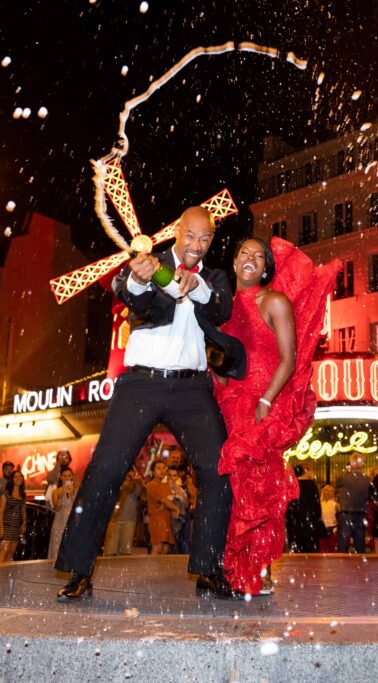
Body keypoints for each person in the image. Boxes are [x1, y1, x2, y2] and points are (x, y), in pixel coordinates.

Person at [54, 206, 246, 602]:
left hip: (193, 389)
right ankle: (78, 570)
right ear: (176, 232)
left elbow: (221, 308)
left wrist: (197, 286)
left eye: (204, 239)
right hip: (142, 383)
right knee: (106, 469)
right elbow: (132, 296)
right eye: (190, 236)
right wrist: (141, 282)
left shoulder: (214, 276)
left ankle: (208, 568)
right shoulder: (150, 263)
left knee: (218, 470)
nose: (196, 245)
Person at [214, 236, 339, 595]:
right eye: (244, 253)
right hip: (230, 403)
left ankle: (259, 569)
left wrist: (267, 401)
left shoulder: (274, 302)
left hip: (262, 404)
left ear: (266, 267)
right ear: (235, 262)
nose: (250, 259)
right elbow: (222, 367)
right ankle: (234, 566)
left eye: (258, 255)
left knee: (260, 488)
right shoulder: (222, 309)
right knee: (234, 488)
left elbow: (289, 358)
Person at [285, 464, 325, 554]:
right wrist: (316, 516)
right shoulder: (311, 486)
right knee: (311, 554)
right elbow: (316, 506)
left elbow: (288, 506)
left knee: (296, 553)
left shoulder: (291, 485)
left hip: (295, 524)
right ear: (305, 471)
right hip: (309, 524)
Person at [103, 469, 143, 556]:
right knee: (110, 549)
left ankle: (123, 568)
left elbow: (141, 493)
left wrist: (136, 480)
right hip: (114, 519)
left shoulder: (135, 484)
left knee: (125, 550)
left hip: (130, 519)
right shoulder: (114, 483)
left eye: (130, 471)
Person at [336, 457, 371, 553]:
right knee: (360, 544)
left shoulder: (344, 477)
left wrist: (347, 472)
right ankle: (361, 565)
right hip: (361, 513)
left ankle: (342, 565)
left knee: (343, 544)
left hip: (346, 513)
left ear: (352, 463)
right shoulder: (367, 479)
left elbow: (337, 483)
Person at [144, 461, 179, 555]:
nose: (162, 470)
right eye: (158, 468)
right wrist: (176, 508)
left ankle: (159, 570)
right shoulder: (152, 484)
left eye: (164, 468)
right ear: (153, 471)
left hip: (166, 518)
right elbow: (164, 500)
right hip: (157, 518)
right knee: (158, 546)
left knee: (165, 548)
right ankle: (150, 569)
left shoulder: (166, 485)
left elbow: (171, 498)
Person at [0, 470, 27, 562]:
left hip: (16, 527)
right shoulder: (6, 493)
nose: (18, 479)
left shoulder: (23, 495)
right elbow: (1, 511)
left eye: (20, 476)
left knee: (11, 552)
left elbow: (23, 511)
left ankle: (5, 574)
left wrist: (24, 523)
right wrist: (1, 528)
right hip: (6, 525)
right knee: (4, 550)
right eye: (15, 477)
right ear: (12, 479)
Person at [48, 468, 77, 562]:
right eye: (64, 476)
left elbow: (79, 507)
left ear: (72, 477)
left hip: (73, 520)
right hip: (60, 521)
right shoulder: (56, 491)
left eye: (69, 475)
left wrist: (72, 494)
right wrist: (62, 494)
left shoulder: (77, 490)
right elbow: (57, 508)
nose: (67, 478)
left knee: (73, 543)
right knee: (58, 544)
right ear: (61, 477)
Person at [318, 484, 339, 553]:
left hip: (333, 530)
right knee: (321, 550)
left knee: (332, 550)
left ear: (333, 493)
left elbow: (341, 516)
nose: (328, 492)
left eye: (331, 491)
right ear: (323, 492)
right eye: (326, 490)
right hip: (321, 529)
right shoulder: (319, 503)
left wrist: (338, 521)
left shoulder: (336, 504)